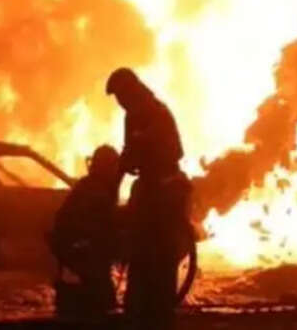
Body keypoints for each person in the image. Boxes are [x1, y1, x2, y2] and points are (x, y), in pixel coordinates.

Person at [106, 68, 192, 330]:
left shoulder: (156, 112)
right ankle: (140, 309)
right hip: (149, 188)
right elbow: (128, 155)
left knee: (160, 257)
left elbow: (174, 151)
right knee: (141, 254)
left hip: (166, 191)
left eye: (121, 95)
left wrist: (143, 148)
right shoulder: (133, 115)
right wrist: (113, 188)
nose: (119, 102)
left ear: (130, 90)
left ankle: (158, 314)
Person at [47, 144, 121, 320]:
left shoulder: (87, 185)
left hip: (74, 259)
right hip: (84, 261)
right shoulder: (97, 192)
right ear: (106, 168)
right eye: (114, 166)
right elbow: (104, 229)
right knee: (101, 308)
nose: (116, 172)